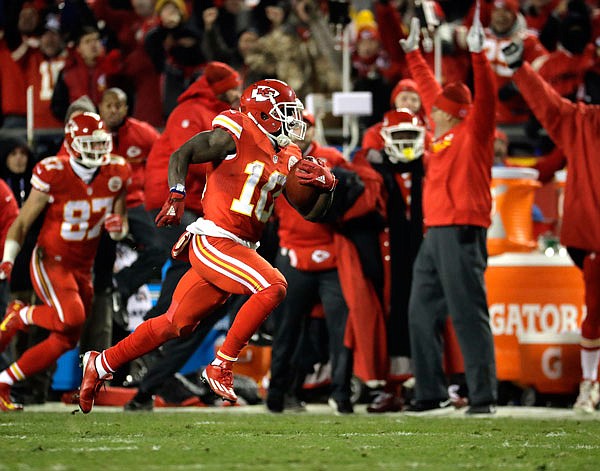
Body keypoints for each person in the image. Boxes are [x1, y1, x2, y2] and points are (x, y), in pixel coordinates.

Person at [77, 78, 337, 413]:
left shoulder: (288, 153)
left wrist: (324, 188)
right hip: (214, 238)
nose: (292, 119)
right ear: (263, 112)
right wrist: (176, 194)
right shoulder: (236, 130)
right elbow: (183, 153)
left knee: (174, 324)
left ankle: (100, 364)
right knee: (274, 285)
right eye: (285, 111)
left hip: (241, 246)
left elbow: (309, 212)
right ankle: (222, 365)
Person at [400, 13, 498, 414]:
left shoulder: (473, 132)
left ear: (453, 113)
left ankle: (483, 396)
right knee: (420, 313)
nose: (430, 111)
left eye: (438, 109)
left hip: (461, 230)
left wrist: (478, 56)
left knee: (467, 315)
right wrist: (413, 55)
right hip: (435, 233)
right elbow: (427, 88)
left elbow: (487, 97)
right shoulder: (441, 132)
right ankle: (430, 392)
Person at [0, 112, 131, 412]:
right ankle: (22, 314)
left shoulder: (117, 171)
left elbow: (120, 219)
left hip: (83, 266)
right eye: (90, 144)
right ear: (72, 144)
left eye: (100, 143)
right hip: (51, 261)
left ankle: (4, 380)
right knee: (72, 318)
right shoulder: (53, 171)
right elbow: (21, 223)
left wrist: (119, 228)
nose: (98, 151)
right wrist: (8, 258)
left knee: (64, 339)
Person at [502, 37, 600, 414]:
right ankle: (589, 386)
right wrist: (520, 69)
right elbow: (550, 108)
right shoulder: (584, 122)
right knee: (595, 310)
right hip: (593, 236)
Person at [268, 112, 355, 414]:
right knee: (287, 331)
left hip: (331, 254)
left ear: (315, 129)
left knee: (342, 330)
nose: (300, 132)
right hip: (293, 253)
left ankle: (342, 394)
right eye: (293, 126)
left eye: (306, 126)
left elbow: (353, 198)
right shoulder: (276, 159)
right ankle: (277, 395)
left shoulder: (333, 158)